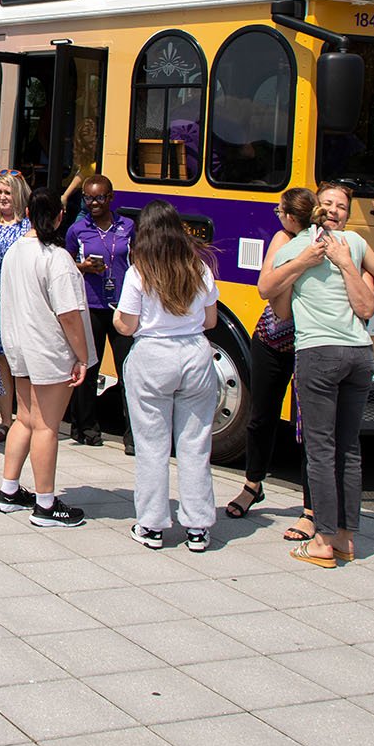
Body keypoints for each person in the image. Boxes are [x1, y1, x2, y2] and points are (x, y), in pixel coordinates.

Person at [260, 182, 374, 567]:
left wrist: (302, 264)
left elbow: (267, 292)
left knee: (320, 450)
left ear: (295, 215)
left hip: (319, 354)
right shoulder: (353, 243)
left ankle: (321, 541)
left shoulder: (293, 248)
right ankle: (346, 538)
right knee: (349, 449)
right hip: (360, 356)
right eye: (330, 204)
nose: (335, 209)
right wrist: (349, 266)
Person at [117, 200, 222, 552]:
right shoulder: (199, 269)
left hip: (153, 356)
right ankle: (197, 526)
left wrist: (119, 321)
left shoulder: (139, 272)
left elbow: (127, 324)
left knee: (152, 446)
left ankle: (152, 524)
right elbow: (210, 321)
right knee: (195, 445)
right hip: (194, 353)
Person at [0, 187, 95, 528]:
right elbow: (69, 315)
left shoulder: (15, 251)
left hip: (19, 345)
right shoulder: (57, 258)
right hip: (49, 349)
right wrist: (82, 356)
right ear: (59, 217)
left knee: (24, 419)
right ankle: (46, 504)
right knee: (47, 426)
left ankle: (8, 491)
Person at [226, 187, 316, 535]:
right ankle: (253, 485)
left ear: (293, 216)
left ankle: (310, 508)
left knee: (310, 427)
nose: (277, 215)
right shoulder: (282, 239)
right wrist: (301, 265)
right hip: (271, 339)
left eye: (280, 211)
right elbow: (269, 290)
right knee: (260, 418)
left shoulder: (328, 244)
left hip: (310, 343)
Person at [65, 175, 138, 453]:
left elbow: (135, 261)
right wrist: (83, 267)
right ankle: (85, 427)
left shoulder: (127, 227)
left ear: (110, 198)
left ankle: (133, 435)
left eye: (99, 197)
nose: (94, 203)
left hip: (121, 308)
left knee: (128, 371)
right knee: (89, 368)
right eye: (88, 198)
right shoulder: (77, 229)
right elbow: (66, 261)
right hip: (91, 306)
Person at [0, 170, 32, 443]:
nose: (2, 197)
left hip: (22, 302)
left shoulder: (28, 226)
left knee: (22, 362)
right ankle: (4, 420)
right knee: (0, 360)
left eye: (7, 192)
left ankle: (27, 418)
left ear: (19, 195)